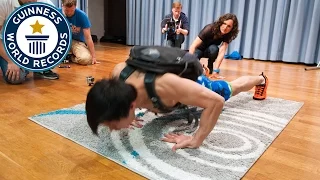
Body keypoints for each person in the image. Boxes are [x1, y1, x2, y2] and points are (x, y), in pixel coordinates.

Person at [85, 52, 269, 151]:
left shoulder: (166, 87)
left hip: (190, 83)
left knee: (228, 89)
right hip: (160, 88)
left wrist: (196, 139)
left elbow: (216, 103)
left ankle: (260, 79)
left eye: (111, 123)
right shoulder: (119, 74)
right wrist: (128, 115)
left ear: (132, 105)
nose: (111, 128)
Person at [0, 0, 59, 84]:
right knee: (14, 75)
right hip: (4, 43)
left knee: (17, 77)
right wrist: (11, 61)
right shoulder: (4, 3)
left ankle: (38, 69)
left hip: (24, 43)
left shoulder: (46, 4)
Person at [189, 13, 239, 79]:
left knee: (214, 49)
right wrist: (194, 61)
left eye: (229, 26)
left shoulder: (228, 34)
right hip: (199, 49)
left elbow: (222, 52)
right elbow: (193, 46)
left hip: (210, 50)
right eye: (224, 23)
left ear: (232, 28)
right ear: (221, 22)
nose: (225, 27)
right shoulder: (209, 28)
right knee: (193, 68)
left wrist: (216, 71)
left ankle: (210, 64)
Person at [60, 0, 98, 65]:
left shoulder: (82, 15)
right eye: (66, 10)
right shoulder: (57, 13)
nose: (69, 13)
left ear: (75, 6)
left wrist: (93, 56)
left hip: (76, 42)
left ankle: (70, 57)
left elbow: (88, 37)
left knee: (86, 59)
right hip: (61, 41)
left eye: (71, 10)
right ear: (62, 6)